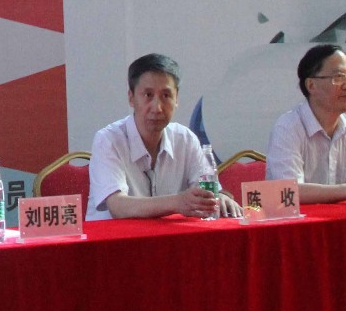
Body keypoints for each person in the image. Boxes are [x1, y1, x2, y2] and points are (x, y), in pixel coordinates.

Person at [87, 53, 240, 221]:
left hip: (169, 236)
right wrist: (177, 202)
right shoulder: (108, 140)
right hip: (116, 236)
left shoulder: (185, 139)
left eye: (166, 96)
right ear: (131, 98)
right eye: (148, 95)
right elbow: (117, 206)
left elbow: (206, 191)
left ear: (176, 99)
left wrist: (218, 197)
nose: (157, 108)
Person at [265, 44, 346, 203]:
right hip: (301, 219)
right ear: (311, 85)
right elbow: (288, 191)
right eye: (338, 77)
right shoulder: (288, 128)